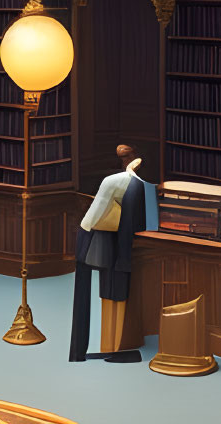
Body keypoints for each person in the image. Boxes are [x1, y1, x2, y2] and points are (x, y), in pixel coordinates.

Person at [71, 144, 152, 362]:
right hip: (118, 241)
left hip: (114, 241)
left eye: (125, 155)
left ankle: (98, 348)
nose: (123, 159)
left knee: (105, 289)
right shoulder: (131, 182)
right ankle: (102, 347)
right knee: (109, 289)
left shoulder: (117, 182)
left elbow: (93, 218)